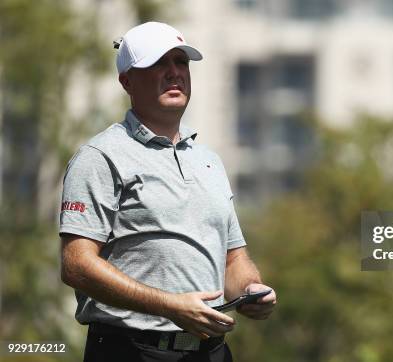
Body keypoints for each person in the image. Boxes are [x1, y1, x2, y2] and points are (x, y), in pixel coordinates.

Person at [59, 21, 276, 362]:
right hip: (130, 351)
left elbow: (233, 260)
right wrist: (169, 305)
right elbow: (76, 265)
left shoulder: (209, 161)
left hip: (212, 353)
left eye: (181, 62)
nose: (174, 72)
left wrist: (250, 289)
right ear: (126, 80)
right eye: (158, 63)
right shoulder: (100, 157)